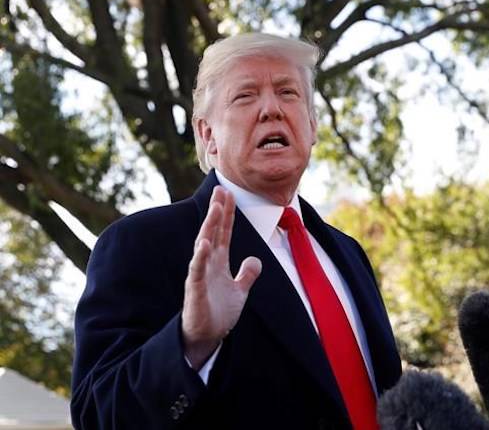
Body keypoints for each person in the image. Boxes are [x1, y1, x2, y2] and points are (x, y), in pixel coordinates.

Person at [71, 33, 402, 429]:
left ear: (312, 125)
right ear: (208, 134)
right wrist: (190, 342)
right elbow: (99, 415)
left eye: (288, 92)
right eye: (245, 96)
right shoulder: (141, 244)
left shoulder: (348, 253)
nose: (271, 109)